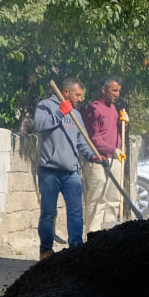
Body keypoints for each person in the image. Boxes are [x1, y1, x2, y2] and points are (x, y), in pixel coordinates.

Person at [34, 77, 103, 259]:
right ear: (66, 92)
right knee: (49, 213)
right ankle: (46, 251)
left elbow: (82, 142)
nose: (80, 99)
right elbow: (39, 125)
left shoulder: (76, 115)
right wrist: (60, 113)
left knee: (76, 212)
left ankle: (76, 250)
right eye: (77, 95)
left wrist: (93, 156)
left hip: (71, 172)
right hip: (49, 171)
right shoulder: (45, 106)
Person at [81, 75, 125, 231]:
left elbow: (115, 134)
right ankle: (92, 238)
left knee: (113, 200)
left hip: (114, 160)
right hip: (98, 161)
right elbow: (93, 138)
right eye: (114, 90)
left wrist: (122, 123)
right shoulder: (94, 109)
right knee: (97, 200)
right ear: (104, 89)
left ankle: (109, 237)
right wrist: (113, 150)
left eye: (118, 91)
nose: (117, 94)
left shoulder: (113, 108)